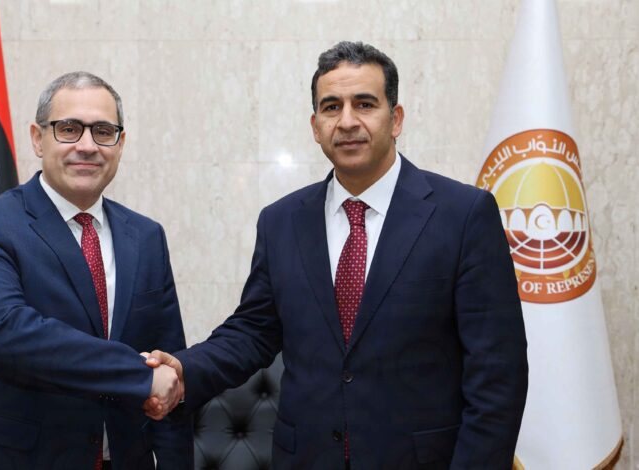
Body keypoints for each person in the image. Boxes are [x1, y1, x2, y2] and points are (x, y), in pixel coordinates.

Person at [144, 42, 528, 469]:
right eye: (331, 107)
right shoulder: (281, 221)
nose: (347, 121)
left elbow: (498, 374)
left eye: (364, 104)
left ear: (396, 118)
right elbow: (253, 331)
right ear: (315, 126)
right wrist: (184, 369)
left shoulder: (463, 215)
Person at [0, 72, 190, 470]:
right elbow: (3, 333)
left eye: (103, 131)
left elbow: (168, 363)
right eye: (69, 129)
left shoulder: (146, 236)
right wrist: (138, 375)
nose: (87, 146)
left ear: (120, 143)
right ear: (38, 138)